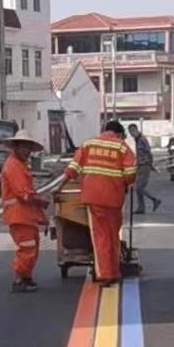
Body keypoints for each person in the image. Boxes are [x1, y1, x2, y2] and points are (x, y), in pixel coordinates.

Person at [65, 118, 136, 286]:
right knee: (112, 235)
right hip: (115, 199)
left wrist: (58, 187)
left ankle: (105, 275)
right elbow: (131, 173)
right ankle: (114, 271)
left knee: (100, 237)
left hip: (94, 198)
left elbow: (72, 170)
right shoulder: (121, 147)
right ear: (119, 134)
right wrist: (124, 184)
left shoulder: (88, 145)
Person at [0, 131, 47, 293]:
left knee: (31, 247)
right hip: (18, 215)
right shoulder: (13, 165)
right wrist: (41, 201)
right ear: (16, 146)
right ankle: (20, 278)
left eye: (29, 147)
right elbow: (24, 193)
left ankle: (26, 277)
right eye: (24, 147)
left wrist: (40, 214)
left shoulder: (19, 164)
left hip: (25, 215)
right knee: (27, 248)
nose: (27, 151)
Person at [128, 122, 160, 215]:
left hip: (145, 165)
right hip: (140, 165)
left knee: (139, 187)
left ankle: (154, 200)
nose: (132, 133)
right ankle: (141, 207)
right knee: (137, 187)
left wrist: (151, 165)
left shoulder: (142, 139)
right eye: (130, 132)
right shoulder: (137, 140)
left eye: (133, 131)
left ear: (137, 130)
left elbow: (149, 153)